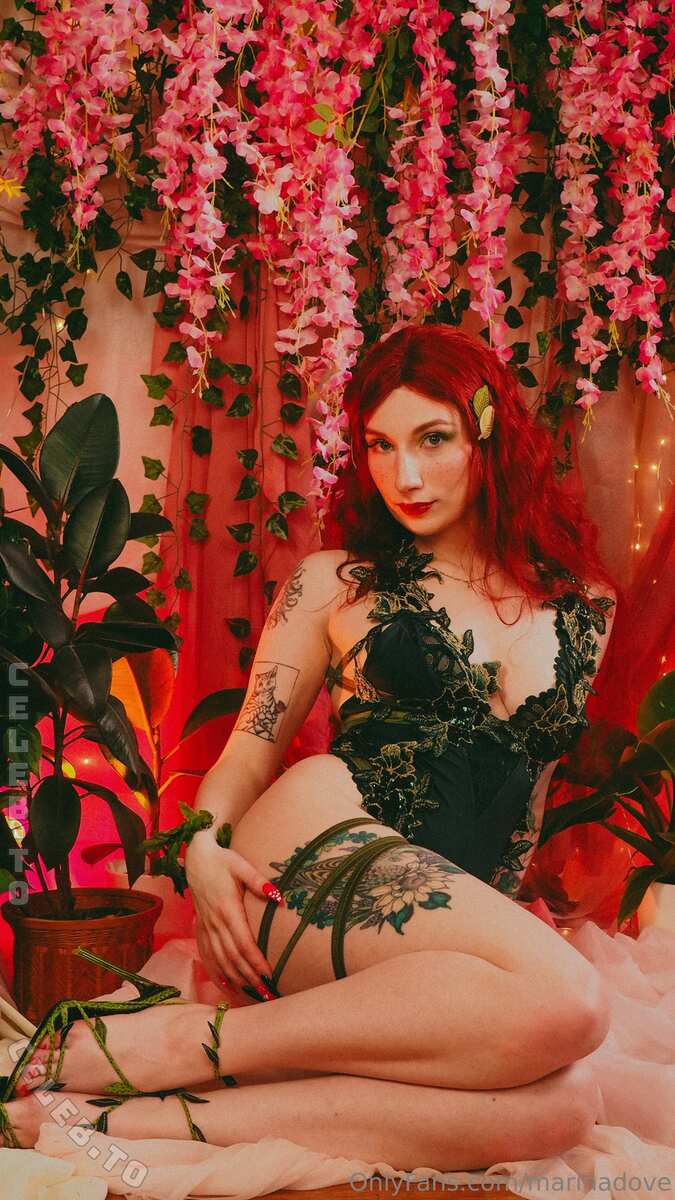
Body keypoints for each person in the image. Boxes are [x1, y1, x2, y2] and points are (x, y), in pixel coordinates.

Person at [2, 325, 618, 1173]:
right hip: (305, 849)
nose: (404, 476)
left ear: (489, 436)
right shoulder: (336, 581)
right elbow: (249, 752)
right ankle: (185, 1043)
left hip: (434, 930)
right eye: (379, 445)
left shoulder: (587, 605)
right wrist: (202, 848)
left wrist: (490, 941)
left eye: (432, 439)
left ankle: (120, 1123)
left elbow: (533, 790)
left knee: (564, 1107)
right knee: (572, 1003)